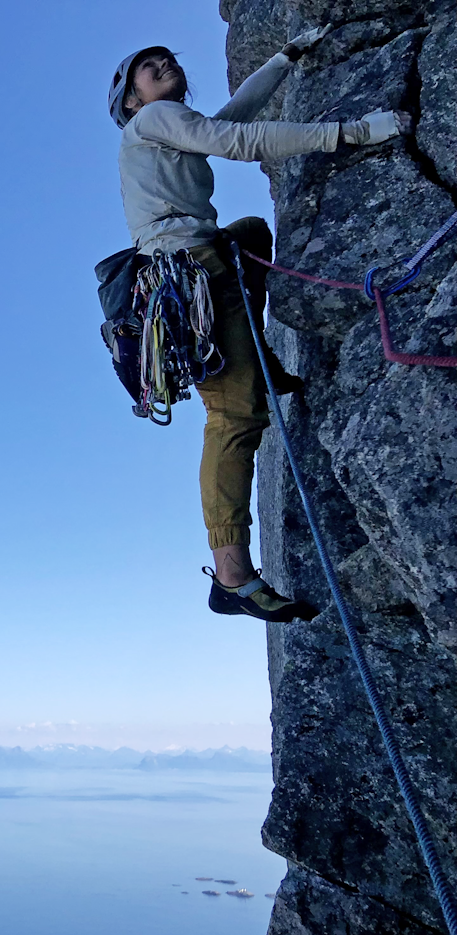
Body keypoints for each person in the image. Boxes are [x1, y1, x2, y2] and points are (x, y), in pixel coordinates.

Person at [108, 29, 412, 622]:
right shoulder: (150, 122)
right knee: (233, 415)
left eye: (164, 57)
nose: (163, 63)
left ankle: (261, 361)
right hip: (189, 274)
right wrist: (349, 132)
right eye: (147, 66)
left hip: (198, 260)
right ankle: (233, 576)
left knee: (249, 231)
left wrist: (281, 58)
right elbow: (239, 140)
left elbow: (231, 116)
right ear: (130, 101)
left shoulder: (163, 126)